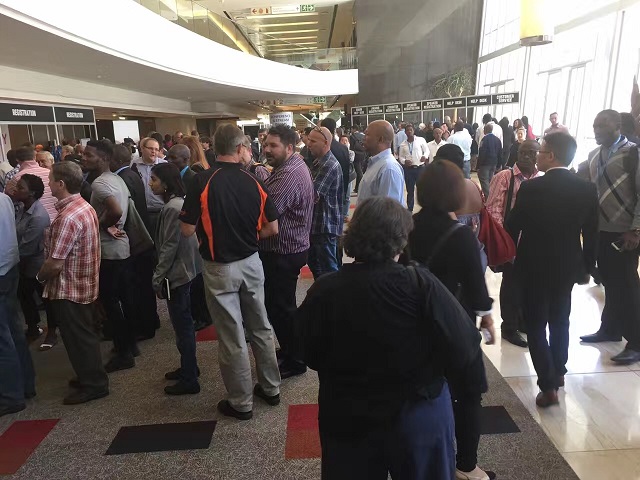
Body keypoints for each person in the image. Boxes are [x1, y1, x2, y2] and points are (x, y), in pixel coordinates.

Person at [298, 196, 487, 480]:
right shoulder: (420, 284)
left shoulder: (325, 289)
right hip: (416, 412)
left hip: (347, 413)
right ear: (400, 242)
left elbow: (306, 351)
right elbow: (464, 346)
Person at [180, 124, 281, 420]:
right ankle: (271, 388)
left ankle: (241, 402)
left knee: (232, 334)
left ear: (215, 148)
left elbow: (186, 230)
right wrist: (249, 236)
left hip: (219, 267)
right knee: (261, 326)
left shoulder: (201, 181)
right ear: (239, 149)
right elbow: (273, 228)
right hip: (252, 262)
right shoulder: (254, 181)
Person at [406, 159, 496, 480]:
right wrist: (486, 317)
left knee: (422, 390)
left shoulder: (407, 226)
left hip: (415, 323)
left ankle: (423, 457)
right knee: (468, 394)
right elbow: (476, 288)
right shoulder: (461, 236)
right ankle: (466, 466)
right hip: (455, 325)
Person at [507, 133, 598, 406]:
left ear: (551, 156)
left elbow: (513, 225)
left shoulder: (531, 188)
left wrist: (506, 256)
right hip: (568, 265)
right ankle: (558, 371)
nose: (537, 156)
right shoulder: (586, 189)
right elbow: (591, 233)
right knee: (560, 319)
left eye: (541, 151)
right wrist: (587, 267)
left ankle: (547, 385)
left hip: (533, 266)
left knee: (535, 325)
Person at [39, 161, 109, 404]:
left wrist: (39, 277)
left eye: (50, 180)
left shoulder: (67, 217)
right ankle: (90, 376)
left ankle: (94, 384)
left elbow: (55, 263)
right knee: (84, 335)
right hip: (84, 283)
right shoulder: (84, 206)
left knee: (78, 338)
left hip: (69, 287)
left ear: (61, 184)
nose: (48, 184)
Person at [577, 110, 640, 364]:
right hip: (600, 230)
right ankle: (611, 329)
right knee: (609, 282)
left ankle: (636, 342)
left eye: (602, 125)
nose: (597, 130)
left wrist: (636, 230)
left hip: (625, 231)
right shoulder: (594, 154)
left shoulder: (633, 154)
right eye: (595, 125)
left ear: (618, 126)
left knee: (627, 286)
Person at [260, 125, 314, 380]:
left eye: (273, 145)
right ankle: (292, 350)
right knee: (281, 306)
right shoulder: (289, 166)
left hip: (284, 251)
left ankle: (296, 360)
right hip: (289, 248)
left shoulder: (288, 175)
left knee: (281, 308)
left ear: (289, 148)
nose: (267, 149)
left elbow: (265, 215)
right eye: (266, 144)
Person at [83, 140, 138, 373]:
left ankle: (124, 353)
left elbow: (115, 210)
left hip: (110, 251)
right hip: (121, 248)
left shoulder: (100, 183)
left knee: (111, 303)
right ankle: (130, 345)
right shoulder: (116, 178)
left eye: (89, 155)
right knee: (124, 299)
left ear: (104, 158)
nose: (84, 158)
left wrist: (100, 225)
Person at [148, 163, 201, 395]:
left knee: (183, 325)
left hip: (177, 273)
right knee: (183, 324)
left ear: (166, 183)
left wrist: (158, 277)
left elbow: (169, 246)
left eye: (154, 180)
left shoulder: (172, 207)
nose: (150, 184)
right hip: (185, 270)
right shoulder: (178, 203)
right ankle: (189, 367)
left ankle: (189, 378)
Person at [486, 140, 541, 348]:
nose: (526, 156)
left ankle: (523, 321)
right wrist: (504, 241)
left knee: (530, 283)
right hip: (511, 240)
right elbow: (494, 210)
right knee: (511, 284)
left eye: (532, 152)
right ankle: (509, 326)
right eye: (523, 152)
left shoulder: (541, 178)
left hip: (534, 242)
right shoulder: (505, 177)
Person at [111, 144, 158, 341]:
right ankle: (151, 321)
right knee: (143, 283)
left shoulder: (123, 178)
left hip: (135, 239)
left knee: (139, 286)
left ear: (113, 160)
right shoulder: (131, 174)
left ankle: (145, 326)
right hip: (141, 238)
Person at [0, 191, 35, 417]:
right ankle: (26, 384)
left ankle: (11, 396)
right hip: (10, 267)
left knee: (3, 338)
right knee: (13, 329)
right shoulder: (4, 198)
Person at [14, 175, 55, 347]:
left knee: (46, 300)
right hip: (24, 264)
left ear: (31, 193)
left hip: (37, 265)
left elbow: (27, 248)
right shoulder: (23, 208)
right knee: (25, 296)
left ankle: (52, 333)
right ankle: (33, 328)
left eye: (20, 188)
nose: (16, 190)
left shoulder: (38, 216)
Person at [306, 126, 344, 279]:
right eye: (309, 140)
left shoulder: (328, 164)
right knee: (318, 267)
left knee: (328, 271)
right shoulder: (319, 162)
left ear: (326, 143)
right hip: (319, 226)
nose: (309, 144)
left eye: (313, 141)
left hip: (325, 228)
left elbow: (313, 195)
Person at [5, 146, 57, 221]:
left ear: (17, 160)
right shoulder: (50, 173)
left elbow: (9, 203)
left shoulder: (17, 178)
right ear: (34, 157)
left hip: (33, 221)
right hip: (55, 219)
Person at [358, 120, 404, 204]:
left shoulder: (389, 169)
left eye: (367, 134)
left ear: (380, 139)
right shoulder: (376, 164)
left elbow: (388, 209)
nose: (363, 138)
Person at [131, 137, 167, 235]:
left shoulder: (164, 166)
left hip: (161, 211)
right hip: (142, 213)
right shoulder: (134, 165)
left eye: (156, 149)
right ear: (142, 148)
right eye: (150, 148)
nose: (153, 152)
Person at [320, 118, 351, 217]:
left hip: (324, 198)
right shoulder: (343, 148)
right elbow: (346, 172)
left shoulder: (321, 148)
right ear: (334, 130)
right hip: (340, 192)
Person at [398, 124, 429, 211]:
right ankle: (410, 209)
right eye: (407, 130)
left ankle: (424, 208)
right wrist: (404, 161)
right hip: (409, 170)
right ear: (405, 132)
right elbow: (400, 157)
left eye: (411, 130)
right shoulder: (403, 144)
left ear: (413, 131)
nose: (409, 132)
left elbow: (426, 150)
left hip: (420, 168)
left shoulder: (420, 140)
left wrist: (425, 156)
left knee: (422, 189)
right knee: (410, 190)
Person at [477, 123, 502, 198]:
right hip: (494, 163)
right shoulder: (497, 140)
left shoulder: (484, 140)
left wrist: (478, 165)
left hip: (485, 163)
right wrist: (499, 164)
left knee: (484, 180)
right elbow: (500, 153)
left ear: (485, 130)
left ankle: (488, 198)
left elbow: (482, 153)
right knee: (491, 181)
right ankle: (492, 196)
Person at [349, 124, 366, 193]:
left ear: (354, 129)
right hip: (363, 155)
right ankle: (357, 188)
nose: (351, 130)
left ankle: (358, 188)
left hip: (356, 155)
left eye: (351, 129)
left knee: (359, 172)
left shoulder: (352, 136)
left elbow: (351, 148)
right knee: (360, 170)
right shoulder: (363, 136)